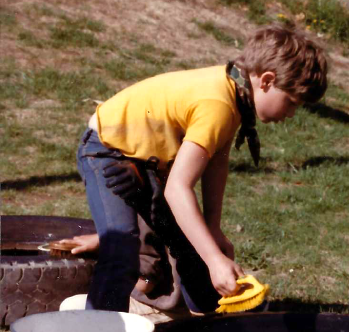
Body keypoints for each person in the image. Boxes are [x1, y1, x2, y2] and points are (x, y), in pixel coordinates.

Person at [74, 23, 328, 314]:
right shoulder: (218, 103)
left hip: (145, 159)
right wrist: (215, 260)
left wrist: (213, 228)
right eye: (291, 102)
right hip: (108, 150)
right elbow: (178, 188)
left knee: (194, 244)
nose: (291, 114)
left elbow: (216, 160)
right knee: (122, 249)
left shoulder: (234, 93)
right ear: (267, 81)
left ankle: (209, 320)